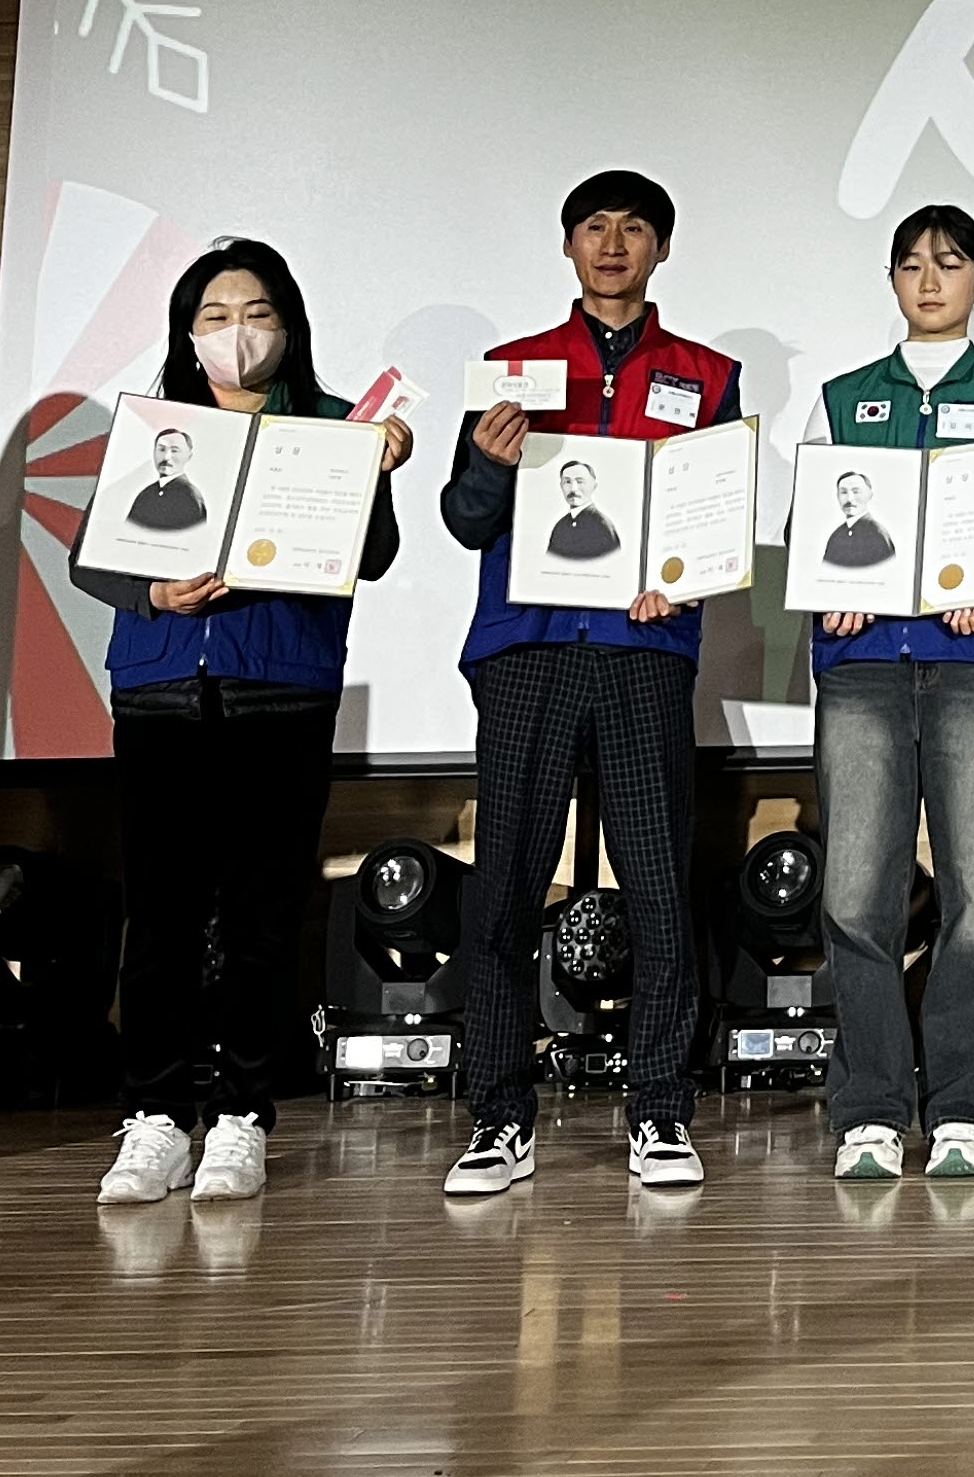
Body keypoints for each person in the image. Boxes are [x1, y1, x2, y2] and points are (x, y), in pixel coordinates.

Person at [74, 239, 412, 1204]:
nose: (237, 333)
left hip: (283, 692)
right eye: (216, 317)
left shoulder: (336, 426)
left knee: (263, 918)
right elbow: (91, 558)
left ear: (288, 325)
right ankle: (153, 1117)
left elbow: (373, 556)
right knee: (162, 919)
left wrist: (374, 470)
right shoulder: (158, 428)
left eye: (257, 314)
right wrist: (153, 594)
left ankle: (241, 1118)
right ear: (187, 334)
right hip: (160, 694)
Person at [437, 169, 741, 1197]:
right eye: (594, 227)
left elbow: (712, 519)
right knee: (505, 890)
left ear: (662, 248)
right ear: (568, 245)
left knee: (657, 886)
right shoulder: (511, 371)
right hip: (526, 649)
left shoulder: (705, 376)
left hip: (643, 652)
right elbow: (466, 521)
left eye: (635, 228)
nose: (613, 244)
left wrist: (681, 581)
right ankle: (498, 1117)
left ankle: (659, 1110)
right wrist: (487, 465)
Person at [803, 204, 974, 1182]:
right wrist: (831, 586)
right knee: (855, 896)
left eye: (950, 264)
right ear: (892, 279)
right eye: (912, 265)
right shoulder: (843, 399)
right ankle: (871, 1109)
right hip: (866, 665)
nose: (929, 281)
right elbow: (812, 524)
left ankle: (963, 1107)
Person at [126, 428, 206, 529]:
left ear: (188, 456)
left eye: (174, 451)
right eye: (161, 449)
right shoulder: (146, 493)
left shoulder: (189, 495)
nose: (166, 457)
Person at [546, 459, 620, 559]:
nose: (573, 489)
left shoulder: (601, 526)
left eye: (580, 482)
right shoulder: (560, 526)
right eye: (567, 482)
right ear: (561, 486)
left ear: (593, 486)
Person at [821, 471, 896, 567]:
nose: (849, 499)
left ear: (869, 496)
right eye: (843, 492)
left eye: (856, 492)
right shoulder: (837, 535)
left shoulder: (877, 533)